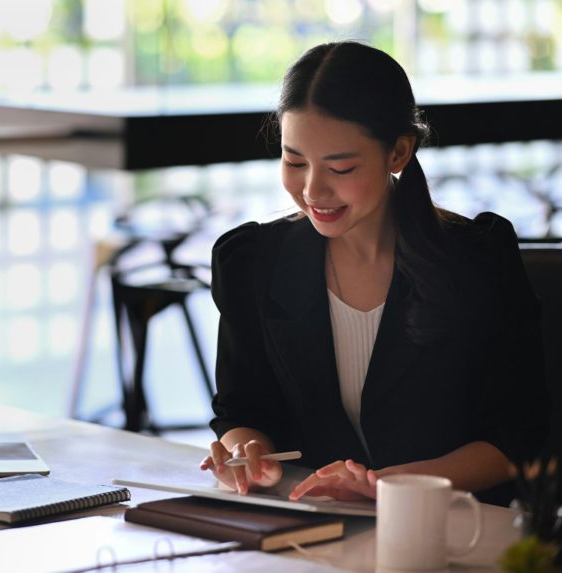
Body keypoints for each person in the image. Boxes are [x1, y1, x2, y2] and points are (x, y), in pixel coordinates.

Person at [199, 41, 549, 506]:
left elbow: (516, 438)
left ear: (399, 152)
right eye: (294, 161)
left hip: (453, 527)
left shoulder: (476, 260)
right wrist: (250, 453)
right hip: (313, 529)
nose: (312, 190)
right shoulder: (253, 262)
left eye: (340, 166)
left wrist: (389, 487)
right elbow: (243, 409)